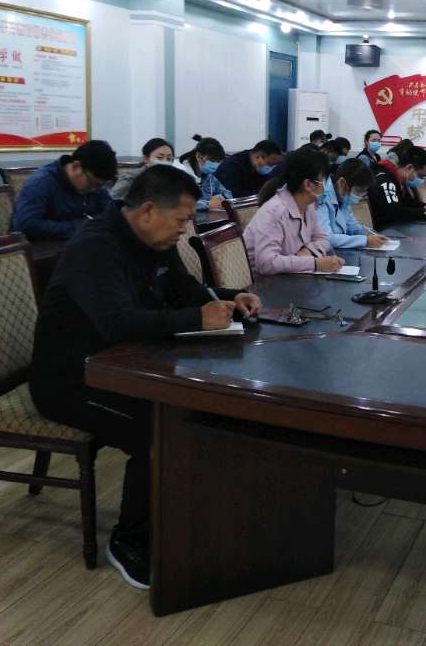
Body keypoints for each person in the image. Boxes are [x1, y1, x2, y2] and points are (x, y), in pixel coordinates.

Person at [29, 165, 262, 590]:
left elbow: (183, 288)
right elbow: (117, 324)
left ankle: (176, 509)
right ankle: (129, 541)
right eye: (181, 220)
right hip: (71, 380)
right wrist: (197, 318)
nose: (185, 229)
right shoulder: (95, 247)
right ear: (149, 210)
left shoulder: (155, 241)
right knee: (157, 427)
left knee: (192, 406)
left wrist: (228, 300)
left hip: (127, 367)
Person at [242, 147, 344, 275]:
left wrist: (308, 251)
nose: (327, 187)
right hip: (262, 283)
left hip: (289, 277)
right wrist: (315, 263)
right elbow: (266, 263)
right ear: (308, 185)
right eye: (324, 181)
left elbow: (323, 239)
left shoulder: (308, 206)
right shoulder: (275, 212)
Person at [11, 139, 117, 241]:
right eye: (92, 184)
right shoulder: (41, 182)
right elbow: (25, 225)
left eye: (100, 186)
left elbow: (110, 214)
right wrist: (80, 226)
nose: (94, 190)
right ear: (76, 167)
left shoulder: (95, 185)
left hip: (80, 244)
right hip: (38, 249)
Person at [318, 158, 390, 249]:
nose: (360, 196)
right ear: (342, 183)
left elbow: (352, 226)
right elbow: (326, 238)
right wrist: (365, 241)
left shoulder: (342, 198)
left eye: (363, 192)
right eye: (358, 190)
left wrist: (370, 234)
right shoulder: (322, 197)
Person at [368, 145, 426, 229]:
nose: (420, 180)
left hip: (397, 227)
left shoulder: (400, 180)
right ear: (409, 167)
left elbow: (408, 203)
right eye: (420, 176)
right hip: (385, 230)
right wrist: (424, 210)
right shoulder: (384, 178)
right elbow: (394, 212)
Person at [177, 135, 232, 211]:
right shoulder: (181, 174)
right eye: (212, 161)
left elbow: (228, 194)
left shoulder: (209, 177)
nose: (215, 165)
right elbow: (178, 203)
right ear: (199, 156)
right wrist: (208, 204)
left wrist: (219, 198)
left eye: (218, 162)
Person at [110, 137, 174, 201]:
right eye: (160, 158)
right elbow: (113, 201)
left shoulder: (172, 179)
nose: (165, 162)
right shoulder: (130, 178)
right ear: (146, 159)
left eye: (169, 159)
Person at [216, 139, 283, 198]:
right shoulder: (231, 167)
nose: (272, 167)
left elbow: (267, 188)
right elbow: (234, 196)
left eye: (275, 164)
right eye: (270, 164)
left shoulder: (258, 168)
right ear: (258, 157)